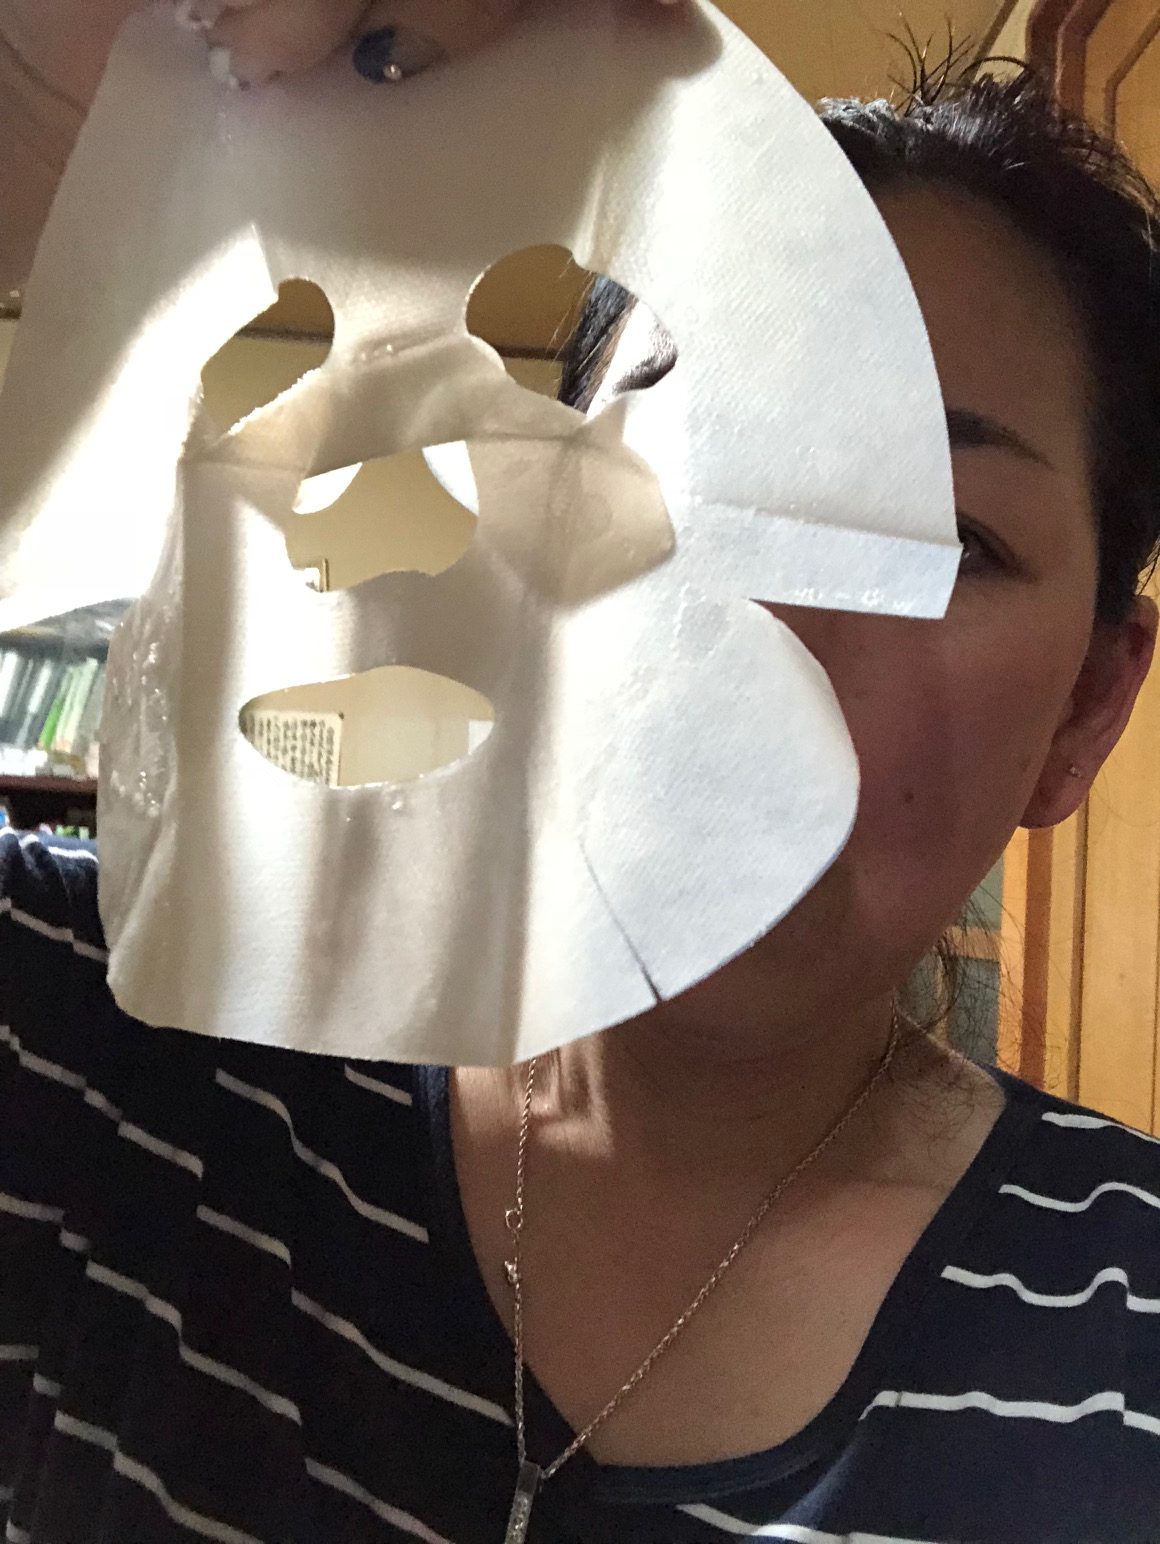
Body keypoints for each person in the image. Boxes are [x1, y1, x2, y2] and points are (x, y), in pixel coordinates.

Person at [3, 5, 1160, 1541]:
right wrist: (40, 113)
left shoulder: (1121, 1343)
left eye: (941, 538)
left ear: (1086, 708)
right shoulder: (112, 1037)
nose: (765, 618)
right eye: (676, 467)